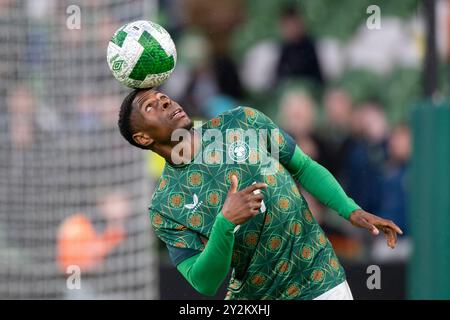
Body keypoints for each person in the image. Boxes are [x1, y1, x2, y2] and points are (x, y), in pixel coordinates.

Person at [117, 88, 402, 300]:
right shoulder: (166, 205)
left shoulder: (242, 121)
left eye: (162, 96)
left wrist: (350, 209)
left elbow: (302, 167)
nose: (165, 101)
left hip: (321, 279)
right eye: (150, 106)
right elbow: (204, 282)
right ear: (143, 138)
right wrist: (225, 224)